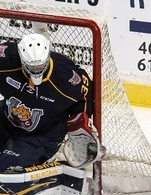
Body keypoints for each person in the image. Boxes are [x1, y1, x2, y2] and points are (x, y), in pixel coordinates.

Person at [0, 31, 102, 172]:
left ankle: (43, 158)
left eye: (40, 66)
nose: (36, 70)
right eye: (31, 66)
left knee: (7, 171)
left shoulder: (65, 76)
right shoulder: (7, 60)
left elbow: (86, 96)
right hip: (6, 120)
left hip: (42, 135)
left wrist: (81, 121)